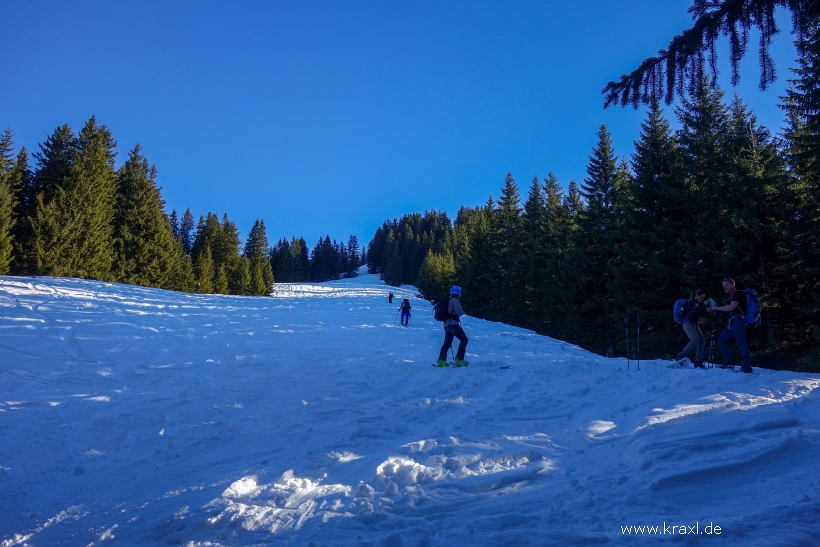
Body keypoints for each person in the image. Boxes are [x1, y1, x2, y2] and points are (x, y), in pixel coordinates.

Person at [709, 278, 752, 373]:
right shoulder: (732, 296)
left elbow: (732, 307)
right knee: (722, 339)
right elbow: (728, 308)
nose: (725, 288)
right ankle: (727, 362)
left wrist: (718, 308)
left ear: (732, 285)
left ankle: (746, 366)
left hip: (738, 320)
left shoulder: (738, 294)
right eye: (723, 286)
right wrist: (716, 308)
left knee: (741, 342)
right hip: (732, 322)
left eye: (726, 285)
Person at [674, 289, 711, 368]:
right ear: (696, 295)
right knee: (695, 340)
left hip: (694, 324)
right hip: (688, 323)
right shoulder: (690, 301)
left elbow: (696, 313)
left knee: (702, 341)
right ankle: (680, 356)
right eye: (701, 297)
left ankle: (698, 361)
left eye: (703, 298)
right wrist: (704, 305)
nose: (702, 299)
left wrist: (706, 311)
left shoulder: (696, 303)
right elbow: (693, 310)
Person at [437, 286, 469, 367]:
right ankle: (459, 359)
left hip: (446, 325)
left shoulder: (448, 300)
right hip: (453, 324)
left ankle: (441, 361)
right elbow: (460, 312)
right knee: (464, 340)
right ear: (459, 293)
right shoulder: (455, 300)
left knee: (447, 343)